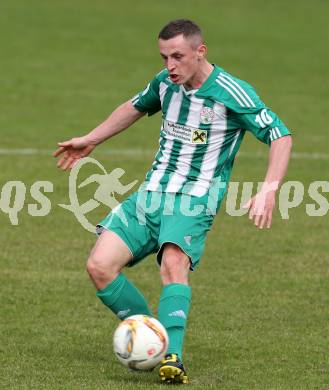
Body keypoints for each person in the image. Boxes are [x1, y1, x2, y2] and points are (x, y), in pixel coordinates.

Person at [53, 19, 292, 384]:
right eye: (165, 57)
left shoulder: (231, 92)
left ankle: (173, 357)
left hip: (194, 199)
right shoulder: (166, 82)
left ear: (201, 51)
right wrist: (92, 139)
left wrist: (269, 188)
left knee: (173, 265)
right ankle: (153, 337)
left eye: (178, 56)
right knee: (99, 266)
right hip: (150, 195)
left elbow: (280, 134)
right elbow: (135, 106)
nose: (170, 66)